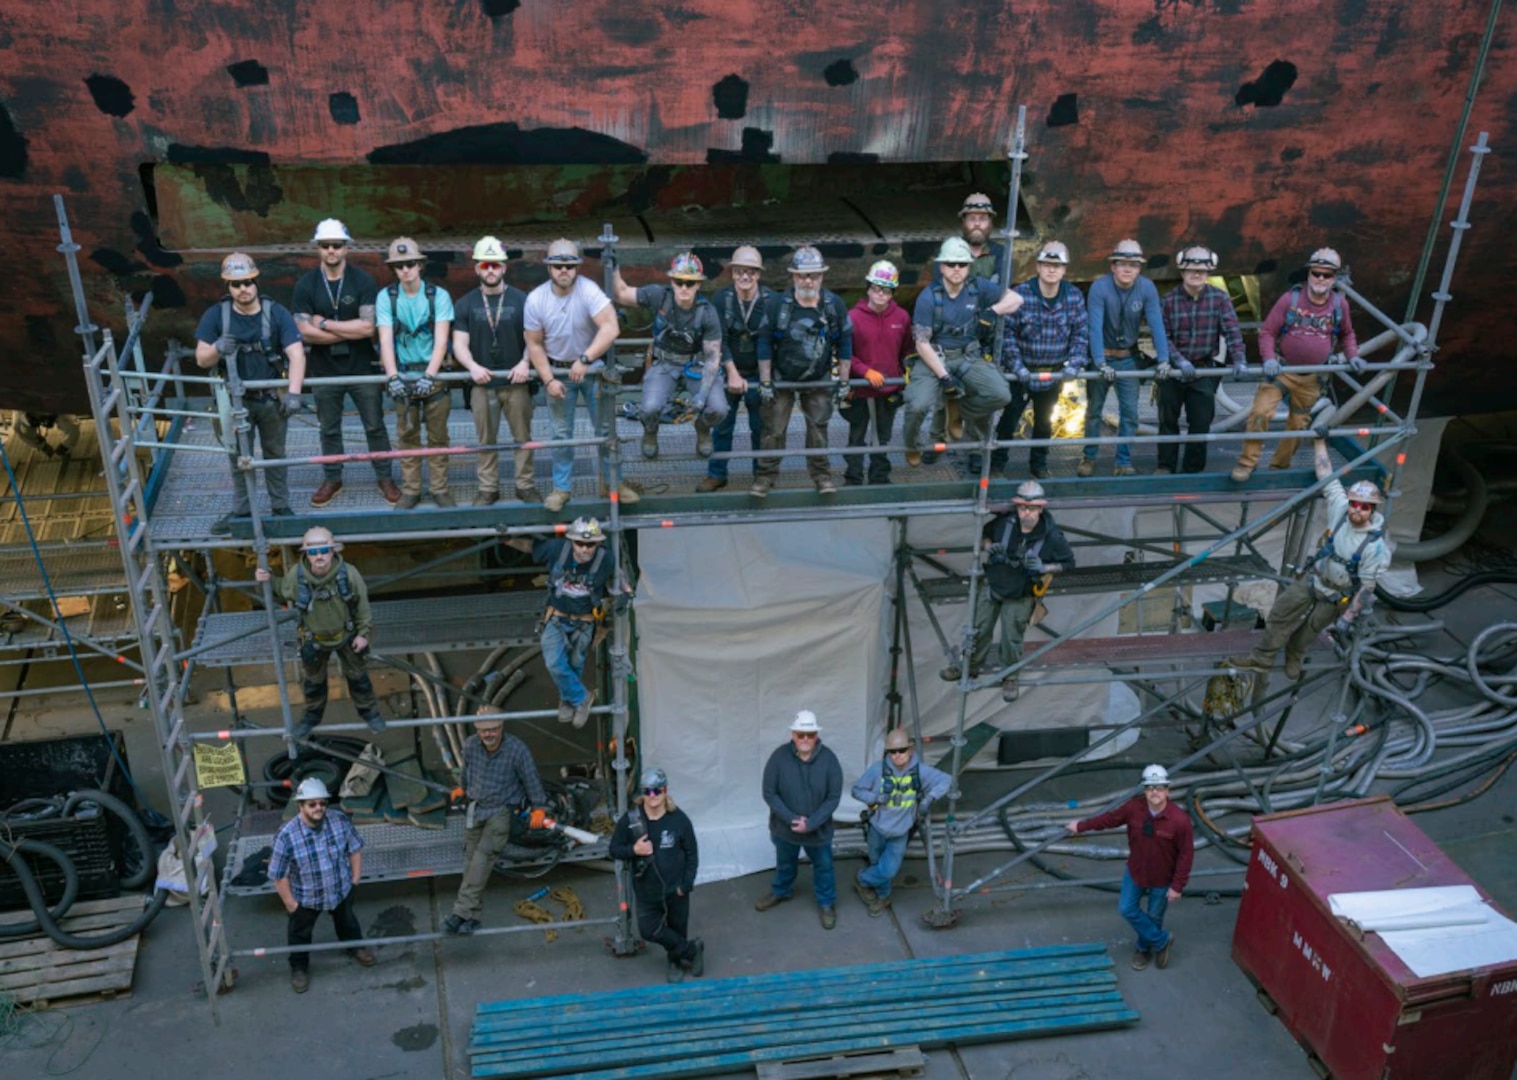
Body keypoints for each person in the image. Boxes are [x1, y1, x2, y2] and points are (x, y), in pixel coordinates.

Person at [1230, 435, 1389, 680]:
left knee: (1311, 630)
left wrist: (1348, 616)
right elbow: (1326, 473)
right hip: (1314, 579)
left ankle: (1294, 653)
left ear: (1373, 509)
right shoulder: (1339, 510)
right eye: (1355, 503)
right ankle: (1262, 657)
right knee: (1280, 614)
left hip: (1338, 594)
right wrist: (1319, 440)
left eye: (1364, 506)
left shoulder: (1375, 548)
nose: (1357, 509)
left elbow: (1367, 586)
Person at [194, 252, 306, 535]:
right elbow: (201, 359)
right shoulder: (216, 316)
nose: (242, 289)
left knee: (275, 455)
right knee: (239, 459)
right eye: (235, 284)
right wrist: (218, 347)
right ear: (228, 288)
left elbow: (296, 355)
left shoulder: (276, 313)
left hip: (270, 400)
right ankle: (243, 512)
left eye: (247, 282)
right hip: (235, 402)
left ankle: (280, 507)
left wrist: (293, 393)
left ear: (256, 282)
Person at [292, 218, 400, 508]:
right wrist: (344, 330)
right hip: (324, 371)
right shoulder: (306, 285)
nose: (331, 250)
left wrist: (324, 323)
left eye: (336, 245)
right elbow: (303, 331)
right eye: (325, 245)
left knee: (375, 425)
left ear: (346, 248)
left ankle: (384, 477)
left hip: (361, 367)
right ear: (318, 248)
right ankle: (332, 477)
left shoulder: (362, 281)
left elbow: (368, 328)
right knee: (328, 428)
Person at [1232, 248, 1364, 482]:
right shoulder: (1290, 299)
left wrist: (1352, 355)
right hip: (1282, 371)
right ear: (1308, 274)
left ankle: (1279, 468)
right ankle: (1246, 463)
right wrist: (1270, 359)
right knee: (1260, 413)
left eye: (1327, 275)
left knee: (1298, 424)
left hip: (1313, 377)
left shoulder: (1339, 305)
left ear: (1334, 279)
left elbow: (1347, 334)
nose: (1321, 279)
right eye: (1317, 273)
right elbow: (1268, 332)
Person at [524, 239, 637, 511]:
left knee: (606, 429)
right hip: (558, 370)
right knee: (562, 434)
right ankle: (561, 489)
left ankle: (611, 482)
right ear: (549, 268)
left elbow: (610, 327)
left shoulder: (589, 291)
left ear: (576, 268)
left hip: (592, 369)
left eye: (569, 266)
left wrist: (585, 359)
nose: (564, 271)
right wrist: (549, 379)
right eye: (558, 266)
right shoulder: (536, 299)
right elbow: (535, 344)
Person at [940, 480, 1074, 701]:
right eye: (1022, 507)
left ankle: (1010, 676)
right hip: (994, 582)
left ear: (1041, 508)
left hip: (1022, 591)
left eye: (1031, 508)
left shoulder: (1052, 537)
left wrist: (1044, 567)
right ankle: (969, 667)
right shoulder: (1005, 524)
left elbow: (1068, 563)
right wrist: (989, 547)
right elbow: (984, 535)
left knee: (1011, 637)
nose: (1026, 513)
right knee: (977, 629)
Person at [901, 237, 1020, 477]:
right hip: (934, 357)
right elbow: (922, 342)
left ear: (968, 267)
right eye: (952, 264)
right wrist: (944, 377)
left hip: (967, 355)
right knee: (918, 405)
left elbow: (1016, 299)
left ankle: (960, 409)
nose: (957, 269)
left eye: (962, 264)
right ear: (942, 266)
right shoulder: (928, 297)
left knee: (1000, 394)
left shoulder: (979, 287)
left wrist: (992, 310)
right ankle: (912, 444)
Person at [256, 526, 385, 739]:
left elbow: (363, 605)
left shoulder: (348, 574)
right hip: (314, 638)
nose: (319, 557)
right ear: (306, 553)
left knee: (359, 678)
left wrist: (363, 633)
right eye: (314, 552)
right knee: (314, 683)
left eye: (324, 551)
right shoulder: (296, 576)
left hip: (347, 635)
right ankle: (311, 718)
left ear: (333, 551)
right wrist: (266, 578)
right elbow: (281, 589)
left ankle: (369, 713)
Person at [1066, 764, 1192, 971]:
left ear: (1167, 790)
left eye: (1159, 788)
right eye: (1150, 788)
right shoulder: (1133, 808)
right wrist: (1081, 826)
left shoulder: (1179, 821)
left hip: (1163, 878)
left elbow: (1186, 855)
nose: (1155, 792)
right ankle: (1162, 941)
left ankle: (1143, 948)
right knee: (1126, 908)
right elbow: (1109, 820)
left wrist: (1177, 886)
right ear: (1144, 791)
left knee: (1154, 916)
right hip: (1136, 871)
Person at [503, 516, 626, 728]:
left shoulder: (605, 559)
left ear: (598, 543)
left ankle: (568, 701)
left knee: (574, 666)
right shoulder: (557, 549)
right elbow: (530, 546)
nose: (585, 550)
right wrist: (504, 539)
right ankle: (581, 699)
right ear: (571, 541)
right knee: (554, 663)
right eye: (580, 543)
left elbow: (618, 578)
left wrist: (626, 595)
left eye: (591, 544)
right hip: (556, 617)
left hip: (585, 622)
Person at [750, 246, 853, 498]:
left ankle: (822, 476)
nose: (808, 280)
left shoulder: (834, 305)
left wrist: (844, 381)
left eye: (814, 275)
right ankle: (765, 478)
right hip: (782, 377)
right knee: (773, 428)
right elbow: (764, 341)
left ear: (822, 277)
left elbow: (845, 342)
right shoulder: (777, 304)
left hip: (818, 378)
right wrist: (765, 381)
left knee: (819, 427)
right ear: (794, 277)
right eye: (803, 275)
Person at [610, 252, 727, 461]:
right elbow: (621, 293)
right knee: (649, 408)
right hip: (664, 363)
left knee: (718, 408)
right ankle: (651, 430)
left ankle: (702, 428)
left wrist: (702, 395)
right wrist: (613, 265)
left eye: (690, 283)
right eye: (679, 282)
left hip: (695, 365)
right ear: (671, 281)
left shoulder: (707, 312)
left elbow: (712, 358)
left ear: (698, 285)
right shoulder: (658, 296)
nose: (684, 288)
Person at [452, 236, 540, 505]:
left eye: (495, 265)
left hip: (517, 382)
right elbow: (459, 344)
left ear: (504, 268)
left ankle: (525, 485)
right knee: (485, 440)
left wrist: (526, 362)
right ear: (477, 268)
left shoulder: (523, 300)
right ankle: (488, 488)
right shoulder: (465, 303)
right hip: (482, 383)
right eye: (485, 265)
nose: (490, 271)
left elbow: (534, 340)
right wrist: (473, 367)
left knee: (522, 438)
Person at [443, 714, 549, 935]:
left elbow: (531, 779)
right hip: (476, 808)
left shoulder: (517, 750)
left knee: (482, 859)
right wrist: (462, 787)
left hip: (501, 811)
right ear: (476, 730)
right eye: (483, 730)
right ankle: (472, 917)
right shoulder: (471, 745)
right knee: (470, 862)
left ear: (501, 727)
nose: (487, 734)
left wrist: (539, 807)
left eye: (492, 729)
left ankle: (460, 912)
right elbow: (467, 771)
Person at [268, 777, 376, 993]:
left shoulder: (339, 821)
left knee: (348, 923)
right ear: (300, 806)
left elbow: (354, 848)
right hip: (307, 898)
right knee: (300, 934)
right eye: (312, 804)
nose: (319, 808)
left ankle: (354, 948)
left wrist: (354, 879)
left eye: (322, 803)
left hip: (340, 890)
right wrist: (291, 905)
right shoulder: (287, 836)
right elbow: (279, 876)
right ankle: (299, 968)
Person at [996, 241, 1089, 479]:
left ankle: (1038, 465)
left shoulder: (1074, 297)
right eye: (1047, 264)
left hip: (1053, 373)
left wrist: (1074, 364)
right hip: (1021, 374)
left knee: (1044, 422)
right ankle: (996, 465)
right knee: (1009, 419)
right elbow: (1006, 334)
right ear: (1038, 266)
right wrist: (1017, 366)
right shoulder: (1019, 295)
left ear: (1065, 269)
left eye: (1057, 266)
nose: (1052, 270)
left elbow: (1080, 333)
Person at [1079, 239, 1170, 478]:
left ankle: (1123, 461)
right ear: (1113, 266)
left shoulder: (1147, 288)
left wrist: (1164, 359)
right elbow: (1094, 328)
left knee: (1130, 413)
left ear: (1140, 268)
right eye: (1122, 264)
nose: (1128, 269)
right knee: (1094, 411)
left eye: (1134, 264)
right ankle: (1088, 457)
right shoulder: (1100, 288)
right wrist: (1099, 362)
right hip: (1102, 357)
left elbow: (1156, 325)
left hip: (1127, 357)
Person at [376, 237, 455, 510]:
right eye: (399, 266)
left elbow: (442, 340)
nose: (405, 270)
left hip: (432, 375)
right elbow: (385, 339)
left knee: (438, 437)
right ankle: (411, 490)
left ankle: (439, 489)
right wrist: (392, 376)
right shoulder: (387, 297)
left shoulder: (438, 296)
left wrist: (430, 375)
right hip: (404, 374)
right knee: (407, 437)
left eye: (410, 264)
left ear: (420, 265)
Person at [1156, 246, 1248, 475]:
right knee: (1168, 420)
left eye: (1201, 270)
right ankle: (1166, 466)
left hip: (1204, 369)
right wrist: (1179, 361)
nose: (1196, 274)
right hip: (1173, 372)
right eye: (1191, 270)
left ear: (1208, 273)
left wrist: (1240, 360)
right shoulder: (1168, 301)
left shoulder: (1219, 299)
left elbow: (1232, 332)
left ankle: (1192, 471)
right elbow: (1162, 338)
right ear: (1182, 271)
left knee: (1200, 423)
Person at [609, 767, 703, 982]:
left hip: (676, 889)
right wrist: (634, 850)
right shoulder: (630, 820)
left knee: (677, 928)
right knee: (649, 930)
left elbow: (692, 853)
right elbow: (614, 849)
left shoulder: (679, 819)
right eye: (648, 791)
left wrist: (686, 884)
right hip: (646, 890)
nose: (653, 796)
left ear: (665, 790)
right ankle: (691, 950)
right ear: (643, 792)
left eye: (657, 791)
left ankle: (675, 960)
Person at [756, 709, 844, 929]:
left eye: (810, 735)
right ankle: (781, 891)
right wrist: (792, 819)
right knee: (785, 863)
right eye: (800, 734)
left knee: (823, 867)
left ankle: (826, 903)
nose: (805, 739)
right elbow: (769, 793)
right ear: (793, 735)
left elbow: (833, 797)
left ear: (816, 735)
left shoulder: (830, 760)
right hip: (784, 829)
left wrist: (812, 823)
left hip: (818, 831)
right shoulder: (778, 757)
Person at [849, 727, 950, 916]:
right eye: (893, 751)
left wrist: (929, 799)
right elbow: (856, 790)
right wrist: (874, 798)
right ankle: (883, 896)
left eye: (901, 750)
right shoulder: (877, 770)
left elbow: (946, 780)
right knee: (877, 862)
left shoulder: (920, 771)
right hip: (877, 828)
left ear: (910, 750)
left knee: (887, 870)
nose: (897, 755)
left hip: (900, 832)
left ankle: (862, 879)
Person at [702, 245, 773, 492]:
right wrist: (731, 373)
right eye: (740, 271)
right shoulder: (721, 299)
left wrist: (765, 380)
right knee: (722, 424)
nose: (745, 277)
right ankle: (717, 474)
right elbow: (717, 338)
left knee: (760, 427)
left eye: (751, 272)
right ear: (732, 273)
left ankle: (761, 476)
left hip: (757, 372)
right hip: (728, 369)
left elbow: (770, 340)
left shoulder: (769, 300)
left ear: (758, 275)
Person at [842, 261, 912, 486]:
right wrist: (864, 371)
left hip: (889, 388)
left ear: (892, 292)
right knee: (857, 437)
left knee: (882, 438)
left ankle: (879, 478)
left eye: (886, 290)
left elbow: (907, 351)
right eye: (876, 288)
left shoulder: (901, 318)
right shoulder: (853, 317)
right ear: (868, 288)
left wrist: (904, 376)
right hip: (860, 390)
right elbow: (844, 355)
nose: (880, 294)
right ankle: (853, 479)